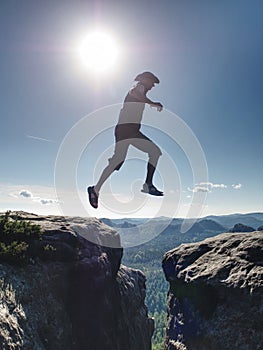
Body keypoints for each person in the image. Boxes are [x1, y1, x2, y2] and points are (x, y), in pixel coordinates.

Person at [88, 71, 164, 209]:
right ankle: (147, 185)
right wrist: (153, 103)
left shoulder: (141, 92)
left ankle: (96, 189)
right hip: (126, 130)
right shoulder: (138, 88)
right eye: (152, 83)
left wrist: (149, 102)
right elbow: (136, 94)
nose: (152, 86)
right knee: (153, 152)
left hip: (131, 131)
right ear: (145, 80)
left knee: (149, 153)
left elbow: (138, 97)